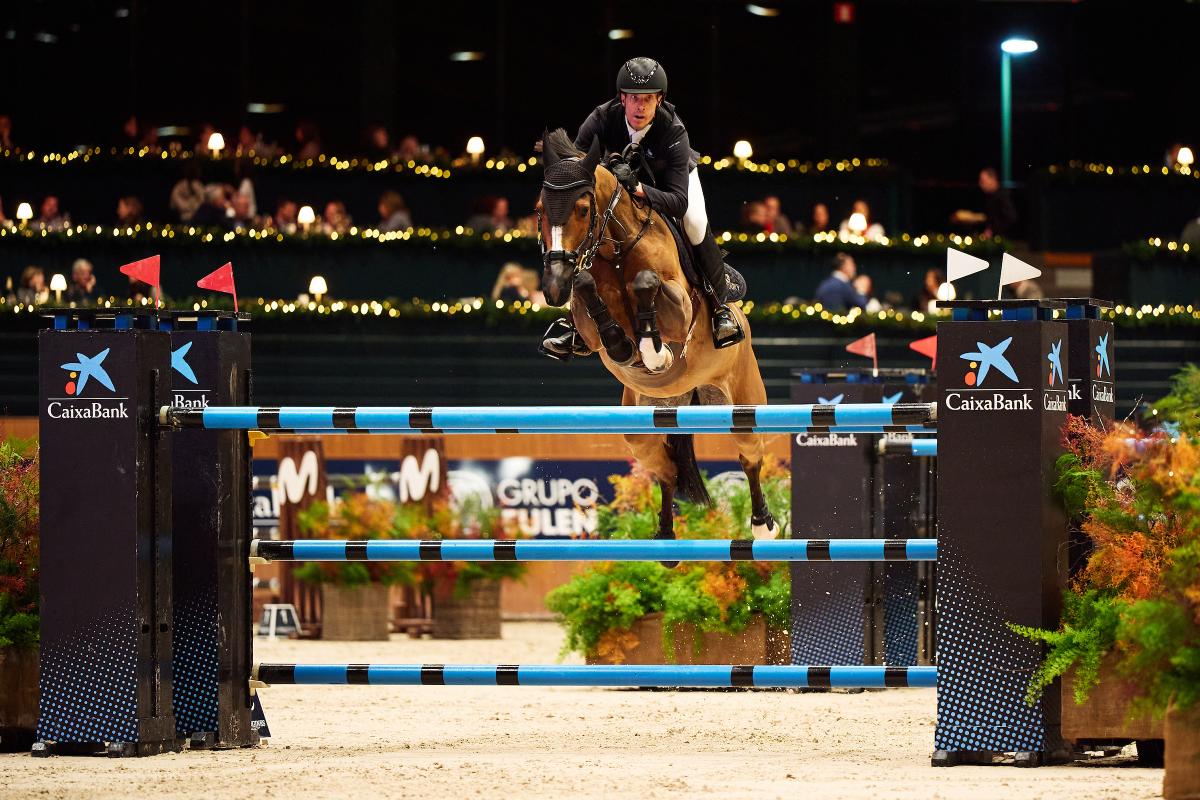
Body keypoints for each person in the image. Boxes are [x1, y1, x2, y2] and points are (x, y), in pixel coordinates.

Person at [541, 57, 744, 358]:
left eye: (648, 99)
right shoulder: (600, 119)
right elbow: (576, 170)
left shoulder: (673, 130)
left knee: (695, 224)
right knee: (584, 230)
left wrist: (637, 187)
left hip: (669, 185)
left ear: (659, 99)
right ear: (622, 98)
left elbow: (678, 201)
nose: (640, 106)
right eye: (634, 98)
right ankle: (574, 324)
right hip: (618, 190)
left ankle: (719, 308)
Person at [952, 167, 1017, 239]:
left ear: (992, 180)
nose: (980, 184)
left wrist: (993, 230)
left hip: (1005, 240)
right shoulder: (988, 196)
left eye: (983, 181)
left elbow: (1011, 218)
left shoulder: (1003, 196)